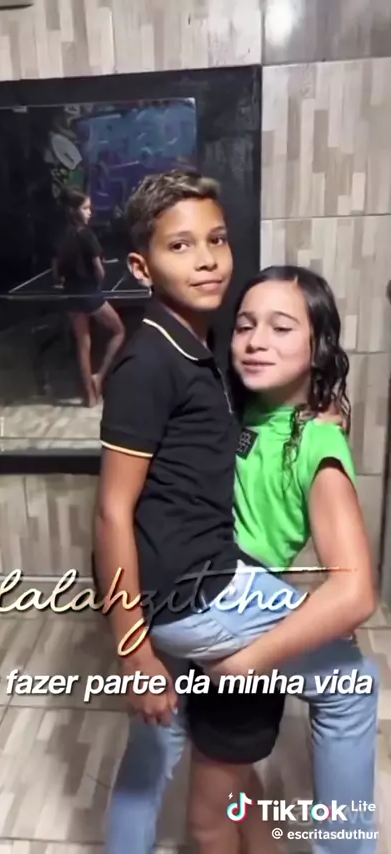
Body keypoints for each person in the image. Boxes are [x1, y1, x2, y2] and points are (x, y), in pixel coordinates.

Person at [93, 170, 378, 853]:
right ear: (141, 267)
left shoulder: (204, 354)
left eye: (216, 240)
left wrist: (320, 407)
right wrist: (135, 651)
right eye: (180, 245)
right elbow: (110, 512)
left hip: (172, 595)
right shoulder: (152, 361)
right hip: (200, 591)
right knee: (352, 683)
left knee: (153, 754)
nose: (205, 259)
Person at [52, 188, 124, 406]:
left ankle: (90, 397)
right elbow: (99, 271)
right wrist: (99, 277)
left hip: (71, 294)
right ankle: (99, 375)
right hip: (90, 294)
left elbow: (56, 272)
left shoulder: (62, 236)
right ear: (75, 211)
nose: (90, 212)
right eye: (86, 208)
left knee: (83, 345)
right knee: (119, 330)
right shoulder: (87, 235)